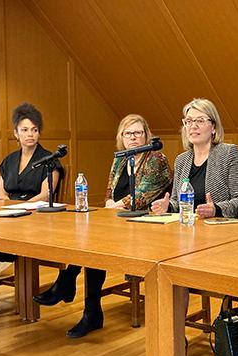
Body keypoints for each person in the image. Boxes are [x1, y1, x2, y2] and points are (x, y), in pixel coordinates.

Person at [33, 114, 171, 338]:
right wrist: (109, 204)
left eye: (138, 133)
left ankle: (71, 288)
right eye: (128, 134)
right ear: (121, 137)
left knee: (95, 243)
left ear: (146, 135)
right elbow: (110, 190)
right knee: (91, 241)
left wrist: (113, 207)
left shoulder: (156, 158)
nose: (133, 138)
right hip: (117, 221)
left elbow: (144, 195)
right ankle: (88, 308)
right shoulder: (120, 159)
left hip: (146, 223)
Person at [0, 103, 62, 320]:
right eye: (25, 130)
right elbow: (1, 194)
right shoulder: (9, 161)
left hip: (34, 220)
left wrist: (20, 206)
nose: (30, 134)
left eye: (34, 129)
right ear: (15, 133)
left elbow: (46, 194)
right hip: (7, 217)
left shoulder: (50, 159)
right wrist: (6, 209)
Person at [151, 98, 238, 219]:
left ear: (213, 127)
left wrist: (216, 209)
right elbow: (178, 202)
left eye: (200, 121)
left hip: (222, 228)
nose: (193, 126)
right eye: (188, 121)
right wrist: (168, 206)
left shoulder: (229, 153)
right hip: (189, 226)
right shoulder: (181, 160)